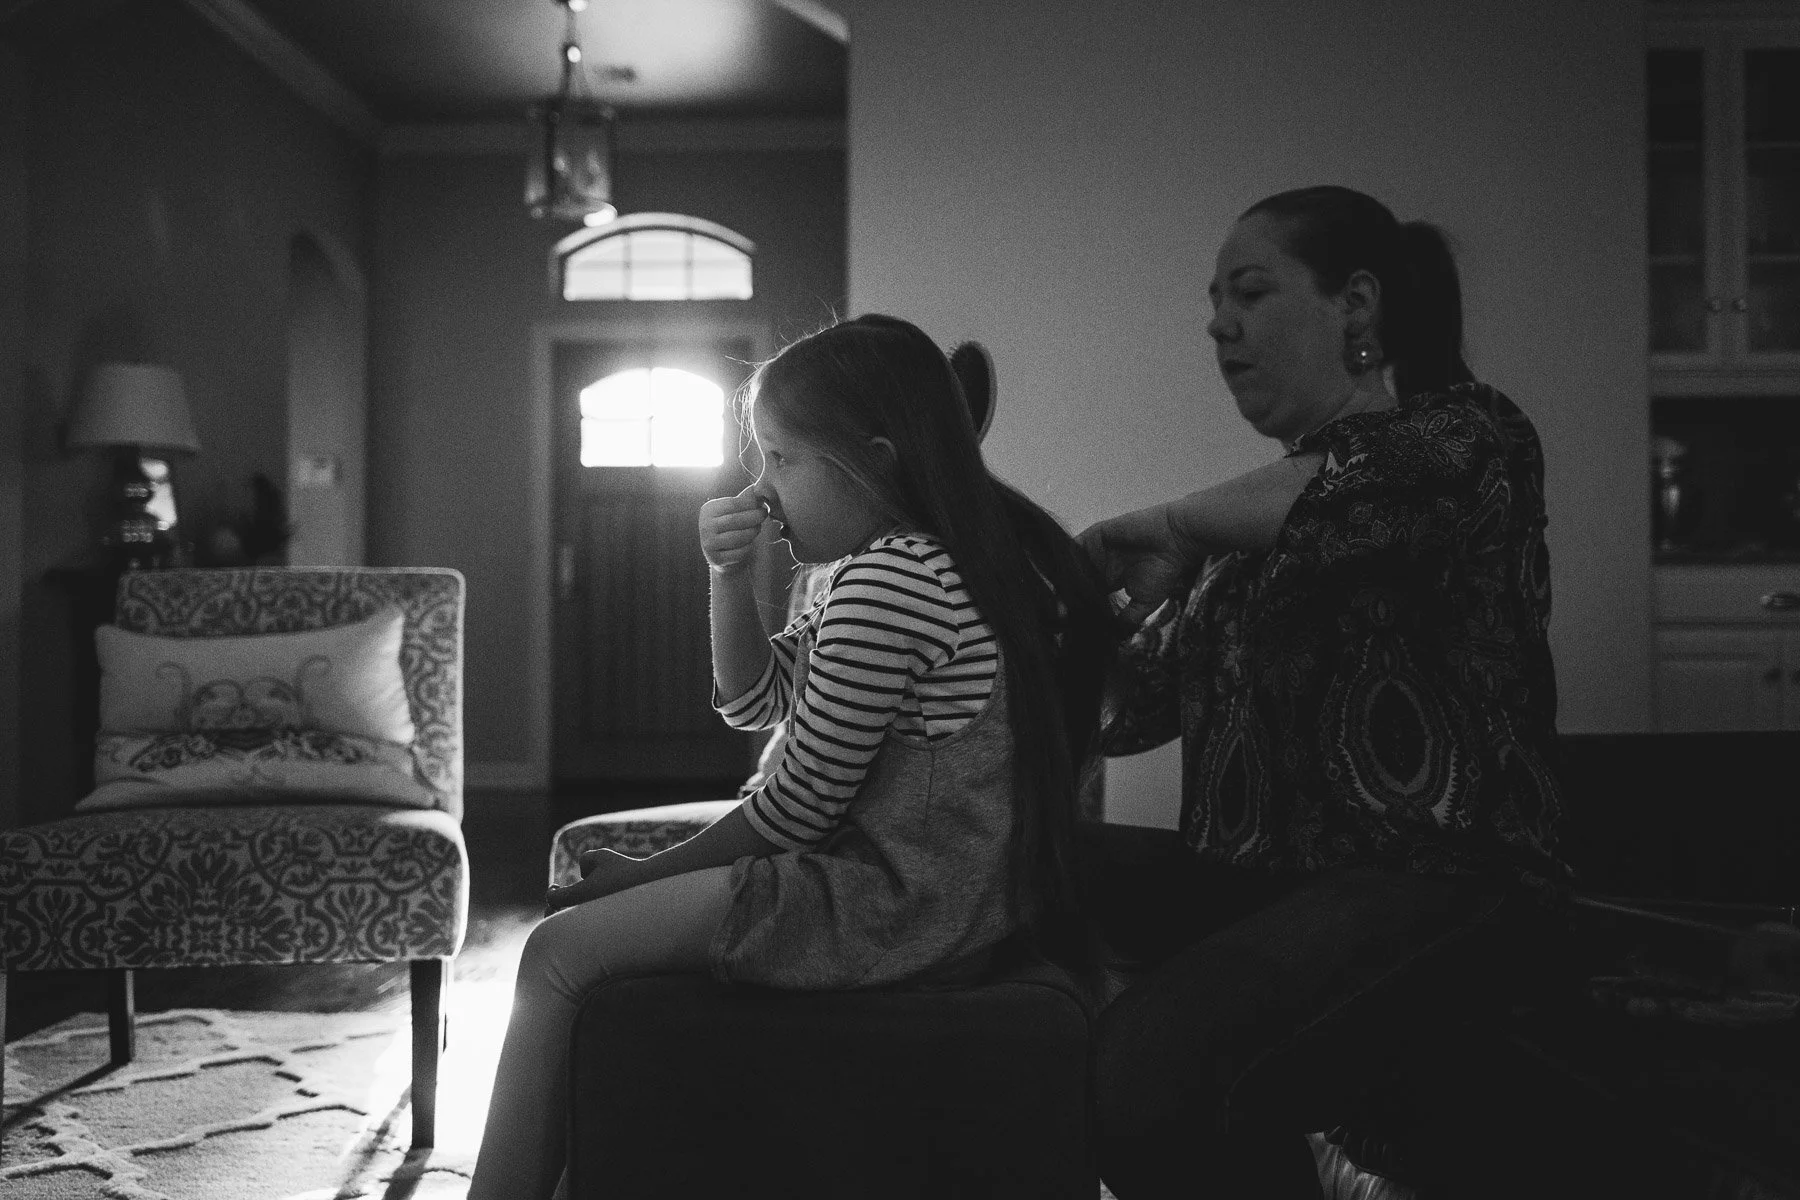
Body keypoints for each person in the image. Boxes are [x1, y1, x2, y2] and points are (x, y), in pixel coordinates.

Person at [467, 314, 1110, 1200]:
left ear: (874, 462)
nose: (760, 490)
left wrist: (641, 877)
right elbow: (756, 701)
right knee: (575, 950)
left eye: (780, 458)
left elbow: (800, 810)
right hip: (935, 899)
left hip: (889, 905)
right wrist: (728, 578)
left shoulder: (893, 579)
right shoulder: (913, 564)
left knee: (556, 954)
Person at [1077, 186, 1573, 1199]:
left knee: (1148, 1073)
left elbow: (1364, 480)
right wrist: (1079, 635)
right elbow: (1129, 715)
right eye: (1214, 300)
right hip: (1254, 889)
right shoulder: (1236, 541)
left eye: (1250, 292)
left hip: (1436, 886)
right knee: (1038, 872)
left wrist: (1170, 524)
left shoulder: (1473, 435)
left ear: (1356, 304)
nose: (1219, 323)